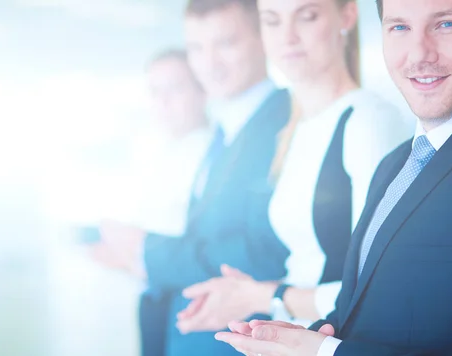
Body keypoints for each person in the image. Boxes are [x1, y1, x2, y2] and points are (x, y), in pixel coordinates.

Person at [215, 0, 452, 355]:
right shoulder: (397, 165)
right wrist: (303, 338)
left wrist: (325, 353)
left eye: (445, 25)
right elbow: (364, 310)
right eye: (399, 28)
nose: (419, 53)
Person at [177, 0, 411, 334]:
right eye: (272, 21)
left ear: (346, 15)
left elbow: (385, 289)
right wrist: (244, 295)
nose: (287, 37)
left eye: (307, 17)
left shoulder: (367, 121)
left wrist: (264, 294)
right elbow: (308, 266)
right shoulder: (295, 129)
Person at [93, 0, 292, 355]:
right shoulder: (225, 133)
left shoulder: (286, 124)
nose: (209, 64)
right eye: (197, 48)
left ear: (264, 37)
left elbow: (266, 250)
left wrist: (146, 250)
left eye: (226, 43)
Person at [91, 49, 211, 271]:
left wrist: (131, 253)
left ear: (203, 91)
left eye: (176, 89)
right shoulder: (154, 149)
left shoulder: (212, 156)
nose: (163, 101)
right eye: (154, 91)